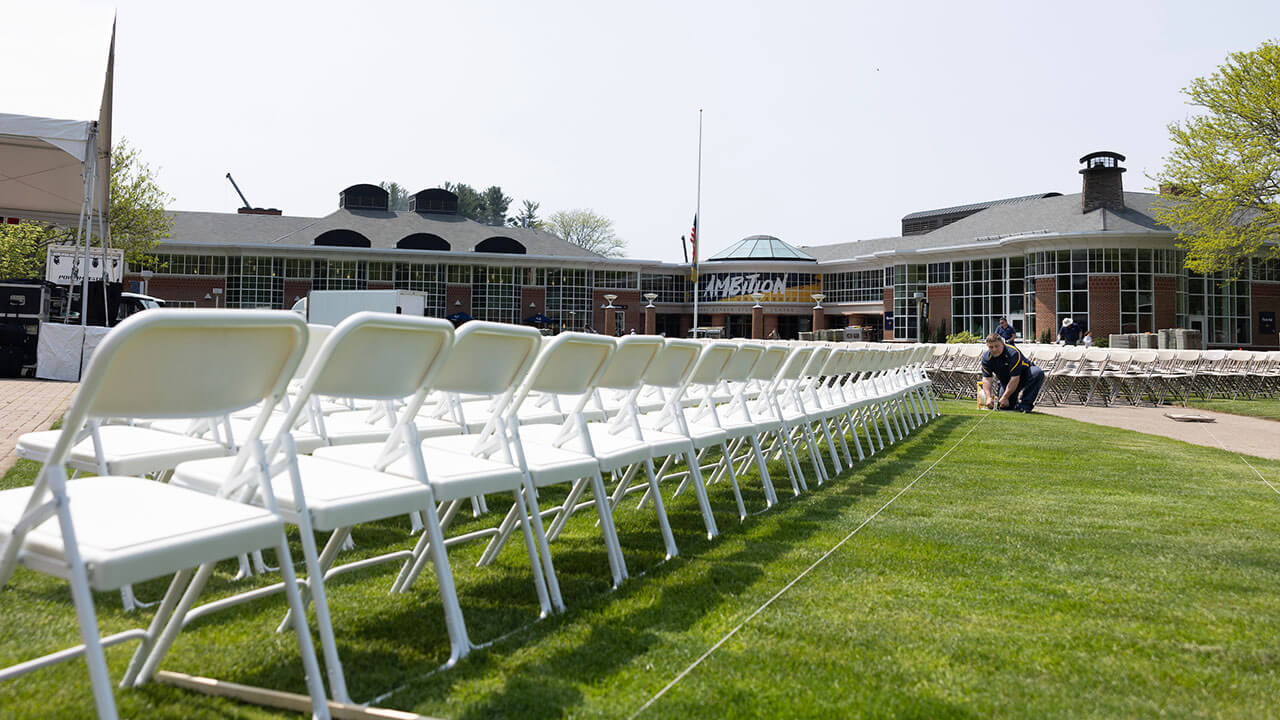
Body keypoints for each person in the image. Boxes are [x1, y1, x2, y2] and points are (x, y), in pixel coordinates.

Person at [980, 333, 1045, 413]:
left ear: (1003, 344)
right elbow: (986, 379)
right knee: (1004, 406)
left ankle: (1025, 405)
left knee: (1037, 372)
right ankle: (1015, 404)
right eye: (991, 347)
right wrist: (988, 398)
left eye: (997, 346)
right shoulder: (986, 357)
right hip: (1007, 380)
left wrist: (1005, 397)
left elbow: (1015, 378)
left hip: (1024, 375)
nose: (994, 349)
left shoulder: (1013, 353)